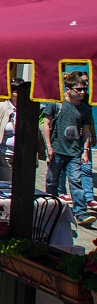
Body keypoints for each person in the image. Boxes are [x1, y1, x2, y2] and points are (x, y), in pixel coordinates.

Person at [42, 71, 95, 225]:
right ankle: (50, 207)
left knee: (76, 181)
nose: (82, 92)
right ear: (68, 89)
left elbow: (86, 131)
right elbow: (46, 124)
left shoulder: (85, 109)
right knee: (52, 180)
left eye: (84, 89)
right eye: (79, 89)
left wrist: (85, 151)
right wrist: (49, 147)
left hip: (74, 152)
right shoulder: (56, 104)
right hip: (57, 149)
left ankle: (81, 213)